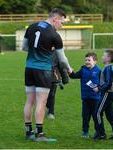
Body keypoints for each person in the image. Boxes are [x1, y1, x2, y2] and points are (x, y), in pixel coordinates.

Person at [22, 8, 72, 142]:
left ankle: (28, 132)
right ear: (55, 18)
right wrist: (69, 67)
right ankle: (39, 134)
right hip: (43, 70)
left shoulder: (31, 27)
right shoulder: (55, 35)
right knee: (41, 101)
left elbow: (24, 48)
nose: (62, 25)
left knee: (29, 101)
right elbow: (62, 58)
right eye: (62, 22)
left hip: (29, 68)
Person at [69, 52, 101, 138]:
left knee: (96, 116)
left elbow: (103, 84)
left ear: (95, 61)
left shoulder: (99, 71)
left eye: (89, 60)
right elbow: (74, 76)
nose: (87, 62)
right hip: (85, 98)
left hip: (96, 98)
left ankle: (98, 131)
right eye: (85, 60)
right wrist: (70, 72)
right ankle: (85, 132)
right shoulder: (83, 69)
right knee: (85, 116)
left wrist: (98, 88)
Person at [93, 50, 113, 140]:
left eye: (103, 55)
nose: (102, 57)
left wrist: (99, 88)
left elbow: (109, 83)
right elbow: (106, 82)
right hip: (109, 93)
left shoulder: (108, 68)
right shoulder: (107, 68)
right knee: (110, 115)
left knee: (97, 113)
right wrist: (99, 86)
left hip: (107, 93)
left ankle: (101, 134)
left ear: (108, 58)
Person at [46, 50, 69, 120]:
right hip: (42, 75)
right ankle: (48, 106)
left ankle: (51, 112)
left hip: (54, 75)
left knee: (52, 94)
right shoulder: (42, 50)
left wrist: (65, 77)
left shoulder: (57, 52)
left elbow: (62, 65)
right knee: (45, 95)